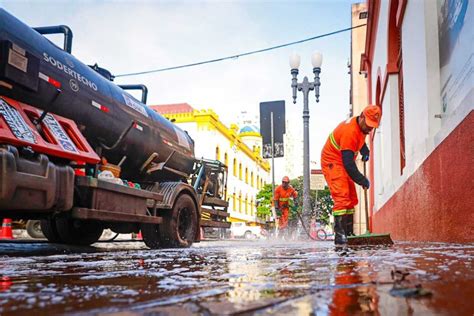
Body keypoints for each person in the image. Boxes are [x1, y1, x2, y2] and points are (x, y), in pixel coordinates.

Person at [321, 105, 382, 245]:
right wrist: (362, 180)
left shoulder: (361, 128)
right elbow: (348, 164)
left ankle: (348, 232)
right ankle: (340, 235)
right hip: (333, 162)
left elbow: (359, 140)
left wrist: (364, 150)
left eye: (372, 127)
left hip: (342, 162)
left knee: (351, 198)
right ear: (361, 117)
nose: (369, 129)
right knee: (342, 197)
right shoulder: (350, 131)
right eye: (368, 125)